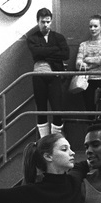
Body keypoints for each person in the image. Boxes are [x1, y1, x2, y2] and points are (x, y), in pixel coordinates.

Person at [26, 8, 71, 137]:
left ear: (51, 21)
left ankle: (55, 140)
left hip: (54, 75)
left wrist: (44, 52)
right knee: (41, 110)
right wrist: (55, 51)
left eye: (48, 22)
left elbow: (66, 54)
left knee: (57, 110)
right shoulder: (32, 38)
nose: (45, 25)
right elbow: (36, 53)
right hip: (39, 77)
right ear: (37, 22)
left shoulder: (58, 37)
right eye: (42, 22)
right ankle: (44, 141)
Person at [75, 14, 101, 113]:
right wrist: (82, 63)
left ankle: (100, 128)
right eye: (90, 26)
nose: (92, 29)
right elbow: (78, 63)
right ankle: (92, 128)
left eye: (95, 26)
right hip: (86, 80)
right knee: (89, 108)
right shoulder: (83, 45)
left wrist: (87, 60)